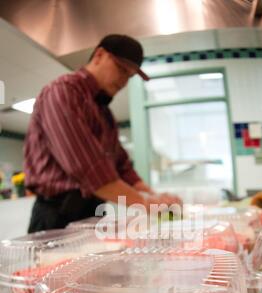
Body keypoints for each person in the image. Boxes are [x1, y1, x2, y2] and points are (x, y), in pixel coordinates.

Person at [24, 34, 181, 233]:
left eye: (130, 76)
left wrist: (155, 195)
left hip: (93, 212)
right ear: (99, 55)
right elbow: (90, 170)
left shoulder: (103, 112)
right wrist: (147, 203)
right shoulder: (62, 92)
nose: (124, 80)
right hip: (56, 217)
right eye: (122, 69)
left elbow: (122, 167)